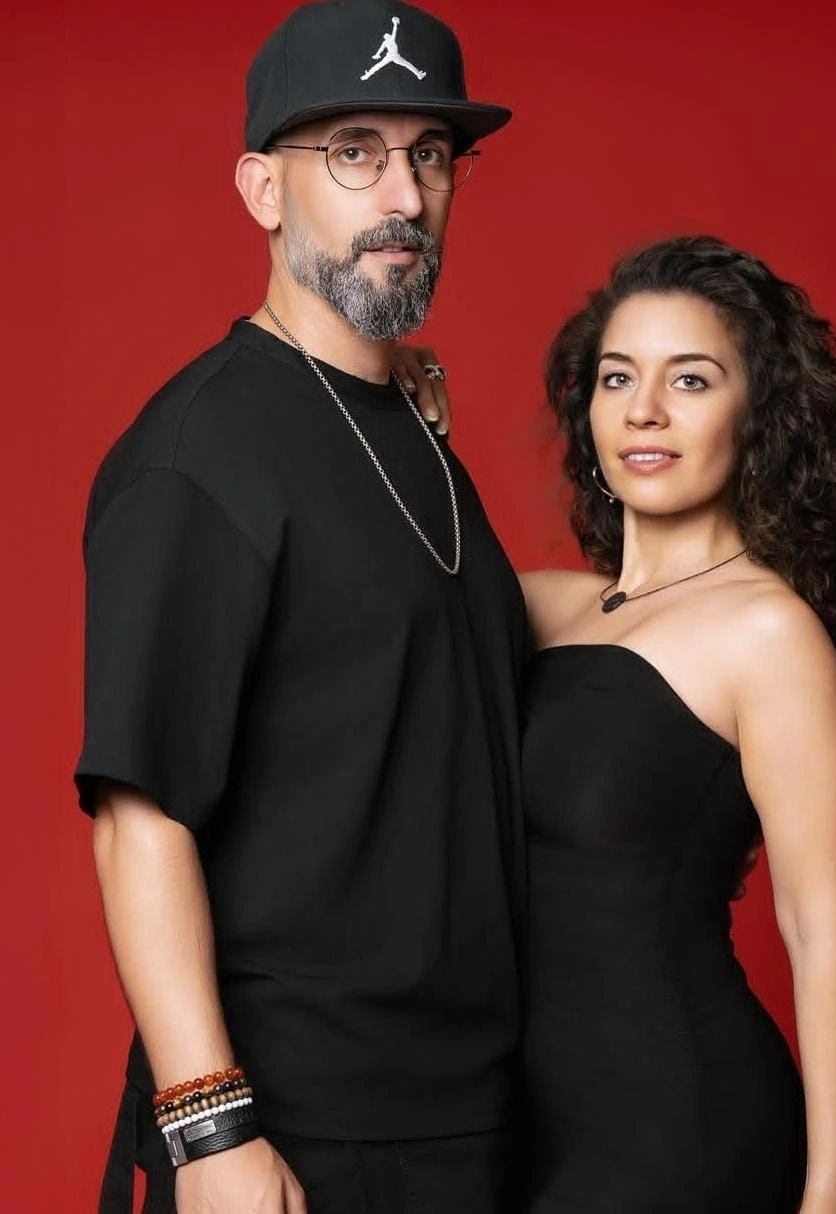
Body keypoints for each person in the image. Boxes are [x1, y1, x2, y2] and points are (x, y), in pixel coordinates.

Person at [75, 3, 526, 1212]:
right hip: (300, 1128)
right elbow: (139, 814)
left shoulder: (411, 427)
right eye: (355, 152)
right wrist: (209, 1127)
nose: (406, 196)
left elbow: (428, 639)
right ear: (263, 189)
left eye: (431, 154)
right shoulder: (200, 454)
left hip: (466, 1113)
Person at [399, 233, 836, 1212]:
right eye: (618, 376)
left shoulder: (767, 632)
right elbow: (392, 585)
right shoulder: (541, 606)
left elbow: (820, 932)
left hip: (674, 1122)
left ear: (759, 413)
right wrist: (402, 409)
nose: (644, 410)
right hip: (515, 1126)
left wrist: (828, 1189)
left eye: (692, 379)